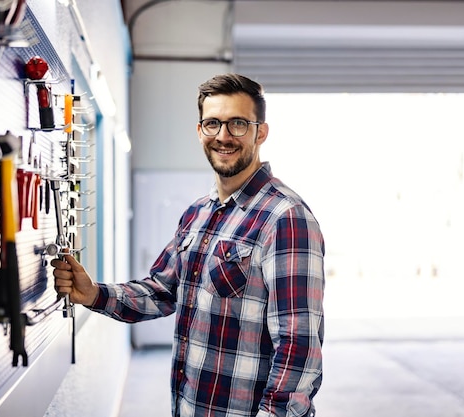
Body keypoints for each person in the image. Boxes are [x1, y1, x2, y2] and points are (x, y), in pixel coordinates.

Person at [52, 73, 325, 417]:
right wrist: (93, 294)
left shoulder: (285, 218)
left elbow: (298, 344)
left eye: (238, 124)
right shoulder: (197, 214)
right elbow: (163, 291)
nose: (223, 136)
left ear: (261, 132)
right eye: (212, 124)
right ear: (200, 132)